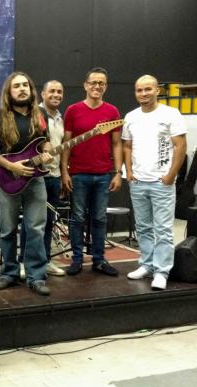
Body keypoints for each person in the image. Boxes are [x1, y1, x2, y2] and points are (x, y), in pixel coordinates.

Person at [0, 72, 53, 296]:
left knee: (36, 229)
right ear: (9, 92)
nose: (22, 89)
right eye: (16, 86)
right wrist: (11, 166)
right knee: (7, 230)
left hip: (35, 179)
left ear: (30, 89)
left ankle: (36, 276)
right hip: (8, 179)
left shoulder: (40, 113)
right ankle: (9, 273)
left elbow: (46, 141)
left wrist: (48, 150)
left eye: (25, 85)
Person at [123, 75, 187, 290]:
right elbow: (127, 146)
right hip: (138, 181)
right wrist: (129, 172)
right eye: (139, 90)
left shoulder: (171, 114)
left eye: (148, 89)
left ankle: (161, 271)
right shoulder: (131, 117)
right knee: (143, 227)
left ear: (157, 90)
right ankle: (147, 264)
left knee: (163, 229)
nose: (144, 93)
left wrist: (171, 175)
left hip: (162, 182)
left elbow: (180, 146)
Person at [61, 67, 123, 277]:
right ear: (85, 85)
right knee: (77, 218)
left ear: (106, 86)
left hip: (104, 175)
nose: (97, 86)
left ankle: (99, 260)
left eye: (101, 83)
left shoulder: (112, 111)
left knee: (99, 219)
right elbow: (66, 144)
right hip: (78, 174)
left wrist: (118, 172)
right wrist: (64, 172)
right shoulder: (73, 110)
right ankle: (77, 259)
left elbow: (117, 144)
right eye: (93, 82)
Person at [19, 81, 67, 277]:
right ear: (43, 94)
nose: (56, 94)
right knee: (31, 223)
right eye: (52, 91)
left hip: (54, 176)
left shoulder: (60, 119)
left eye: (59, 91)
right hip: (35, 176)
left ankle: (45, 260)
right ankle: (24, 262)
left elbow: (61, 148)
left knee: (48, 223)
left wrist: (63, 174)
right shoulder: (33, 115)